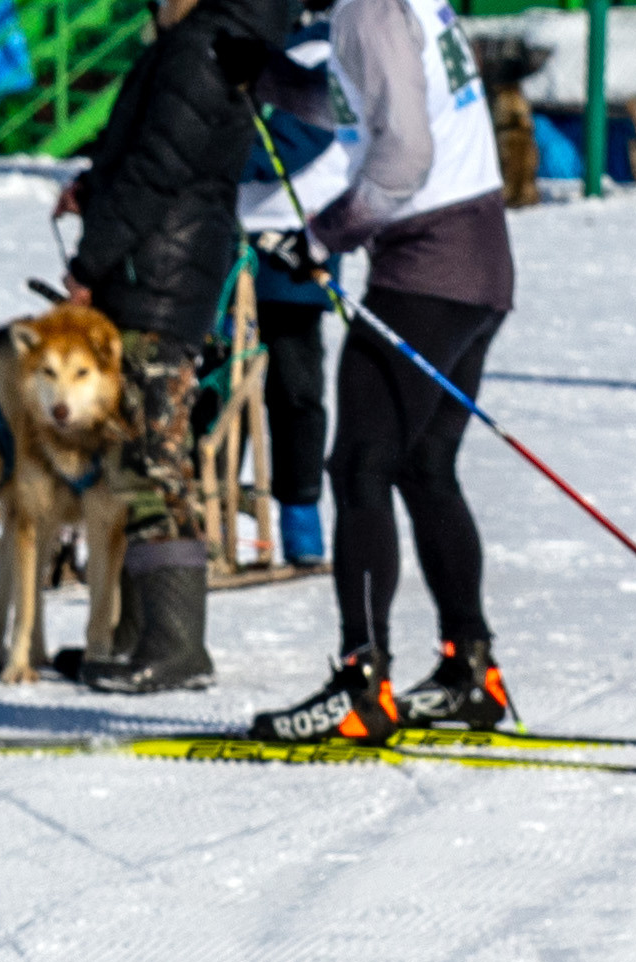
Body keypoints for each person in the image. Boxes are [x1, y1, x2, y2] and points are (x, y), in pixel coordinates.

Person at [247, 0, 514, 748]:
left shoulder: (369, 6)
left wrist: (322, 238)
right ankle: (471, 671)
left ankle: (362, 689)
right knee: (425, 469)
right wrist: (269, 78)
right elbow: (360, 98)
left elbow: (402, 156)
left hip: (428, 267)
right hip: (479, 259)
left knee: (359, 466)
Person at [54, 0, 295, 694]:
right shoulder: (202, 43)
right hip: (155, 271)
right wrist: (92, 188)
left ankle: (176, 643)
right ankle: (132, 637)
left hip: (158, 279)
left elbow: (161, 169)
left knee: (154, 463)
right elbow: (149, 154)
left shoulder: (201, 48)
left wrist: (90, 262)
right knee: (128, 462)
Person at [239, 21, 350, 570]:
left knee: (294, 390)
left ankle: (300, 513)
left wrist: (217, 151)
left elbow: (302, 132)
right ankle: (204, 510)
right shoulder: (234, 39)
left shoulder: (326, 47)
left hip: (297, 248)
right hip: (228, 242)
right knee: (218, 386)